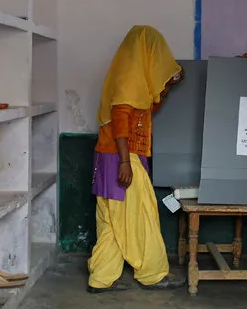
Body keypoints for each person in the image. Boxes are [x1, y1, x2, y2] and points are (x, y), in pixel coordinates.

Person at [87, 25, 186, 293]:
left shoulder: (128, 79)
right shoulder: (129, 82)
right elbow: (121, 122)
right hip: (122, 157)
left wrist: (166, 86)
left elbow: (146, 108)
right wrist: (124, 162)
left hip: (107, 158)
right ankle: (152, 274)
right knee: (141, 217)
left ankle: (101, 277)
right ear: (147, 53)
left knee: (111, 221)